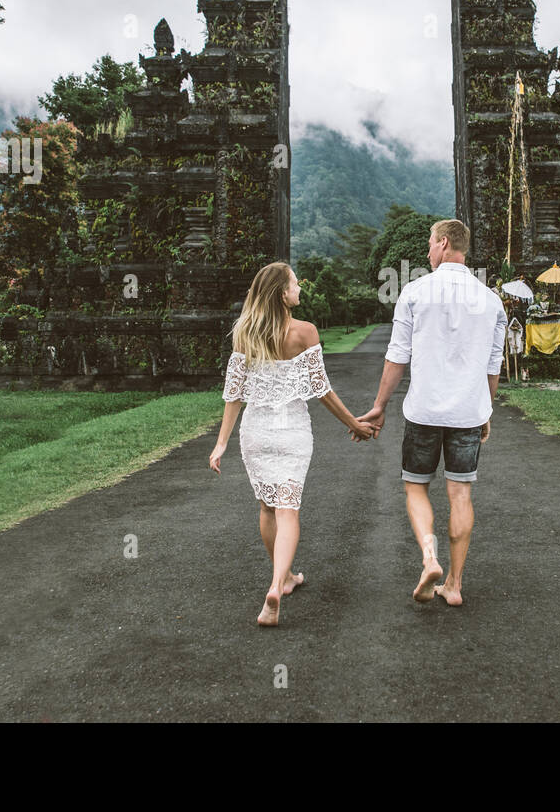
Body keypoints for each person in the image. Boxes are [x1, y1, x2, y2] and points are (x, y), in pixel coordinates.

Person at [209, 262, 376, 626]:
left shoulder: (245, 334)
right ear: (282, 294)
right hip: (291, 431)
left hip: (256, 431)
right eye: (296, 284)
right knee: (289, 510)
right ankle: (277, 582)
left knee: (268, 508)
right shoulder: (305, 332)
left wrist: (220, 443)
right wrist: (355, 424)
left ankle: (283, 578)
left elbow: (233, 394)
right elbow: (322, 391)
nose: (301, 289)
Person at [357, 220, 506, 607]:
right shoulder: (492, 301)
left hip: (423, 412)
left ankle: (429, 557)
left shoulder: (415, 291)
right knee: (460, 494)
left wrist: (379, 406)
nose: (426, 252)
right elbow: (493, 367)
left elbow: (397, 357)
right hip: (468, 414)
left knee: (416, 486)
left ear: (443, 244)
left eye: (429, 244)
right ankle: (454, 585)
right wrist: (485, 410)